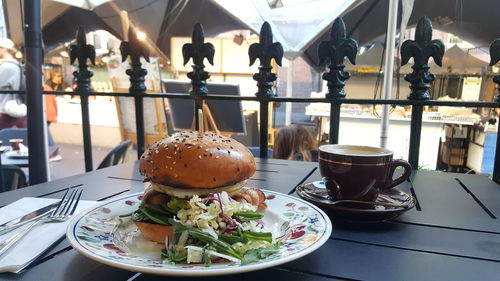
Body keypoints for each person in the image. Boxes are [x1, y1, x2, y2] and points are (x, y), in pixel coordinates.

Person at [0, 38, 26, 130]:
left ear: (3, 49)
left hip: (6, 109)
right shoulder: (17, 65)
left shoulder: (6, 67)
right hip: (16, 106)